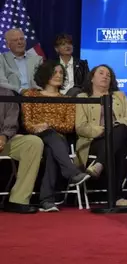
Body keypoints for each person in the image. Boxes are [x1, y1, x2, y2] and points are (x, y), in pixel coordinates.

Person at [21, 60, 90, 211]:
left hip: (57, 140)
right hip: (35, 138)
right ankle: (70, 173)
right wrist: (39, 127)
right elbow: (27, 122)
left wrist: (49, 124)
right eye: (55, 72)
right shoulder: (31, 94)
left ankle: (47, 201)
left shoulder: (67, 101)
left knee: (52, 147)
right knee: (51, 138)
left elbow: (69, 126)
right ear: (45, 74)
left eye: (61, 73)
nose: (58, 75)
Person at [75, 64, 127, 208]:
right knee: (117, 149)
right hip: (95, 141)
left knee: (120, 129)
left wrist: (113, 125)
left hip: (122, 137)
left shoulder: (119, 96)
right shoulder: (83, 97)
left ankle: (99, 164)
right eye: (101, 73)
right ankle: (117, 197)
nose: (105, 76)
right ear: (92, 78)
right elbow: (80, 127)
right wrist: (102, 130)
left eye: (108, 75)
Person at [0, 86, 43, 213]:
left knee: (33, 142)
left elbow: (11, 122)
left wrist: (3, 137)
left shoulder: (6, 94)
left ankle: (18, 199)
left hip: (4, 140)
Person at [0, 28, 43, 94]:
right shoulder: (2, 59)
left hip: (34, 97)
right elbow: (2, 82)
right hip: (11, 98)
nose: (20, 42)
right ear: (8, 45)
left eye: (21, 39)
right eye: (15, 40)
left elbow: (42, 82)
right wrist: (20, 90)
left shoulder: (37, 59)